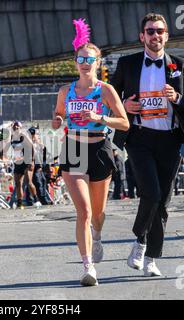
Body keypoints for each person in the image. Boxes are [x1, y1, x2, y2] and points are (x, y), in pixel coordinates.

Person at [112, 13, 184, 277]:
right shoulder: (127, 64)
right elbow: (111, 97)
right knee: (151, 192)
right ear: (142, 36)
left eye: (160, 31)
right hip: (139, 137)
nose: (155, 35)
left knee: (162, 201)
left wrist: (178, 97)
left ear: (166, 35)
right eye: (150, 31)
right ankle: (140, 240)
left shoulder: (179, 65)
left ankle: (151, 257)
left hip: (169, 140)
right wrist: (124, 106)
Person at [52, 18, 129, 286]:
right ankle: (88, 266)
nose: (85, 63)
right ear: (75, 62)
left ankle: (97, 234)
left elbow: (124, 122)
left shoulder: (105, 90)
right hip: (74, 148)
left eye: (90, 59)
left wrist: (101, 117)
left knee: (97, 214)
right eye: (81, 59)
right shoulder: (65, 91)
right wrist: (58, 121)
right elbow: (59, 116)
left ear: (98, 63)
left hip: (99, 148)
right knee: (83, 211)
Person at [9, 121, 42, 209]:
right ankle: (19, 203)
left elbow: (32, 146)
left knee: (28, 181)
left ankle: (36, 200)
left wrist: (32, 160)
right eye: (14, 126)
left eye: (18, 126)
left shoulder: (23, 135)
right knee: (18, 183)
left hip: (27, 161)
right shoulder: (12, 137)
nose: (16, 127)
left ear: (21, 127)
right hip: (18, 162)